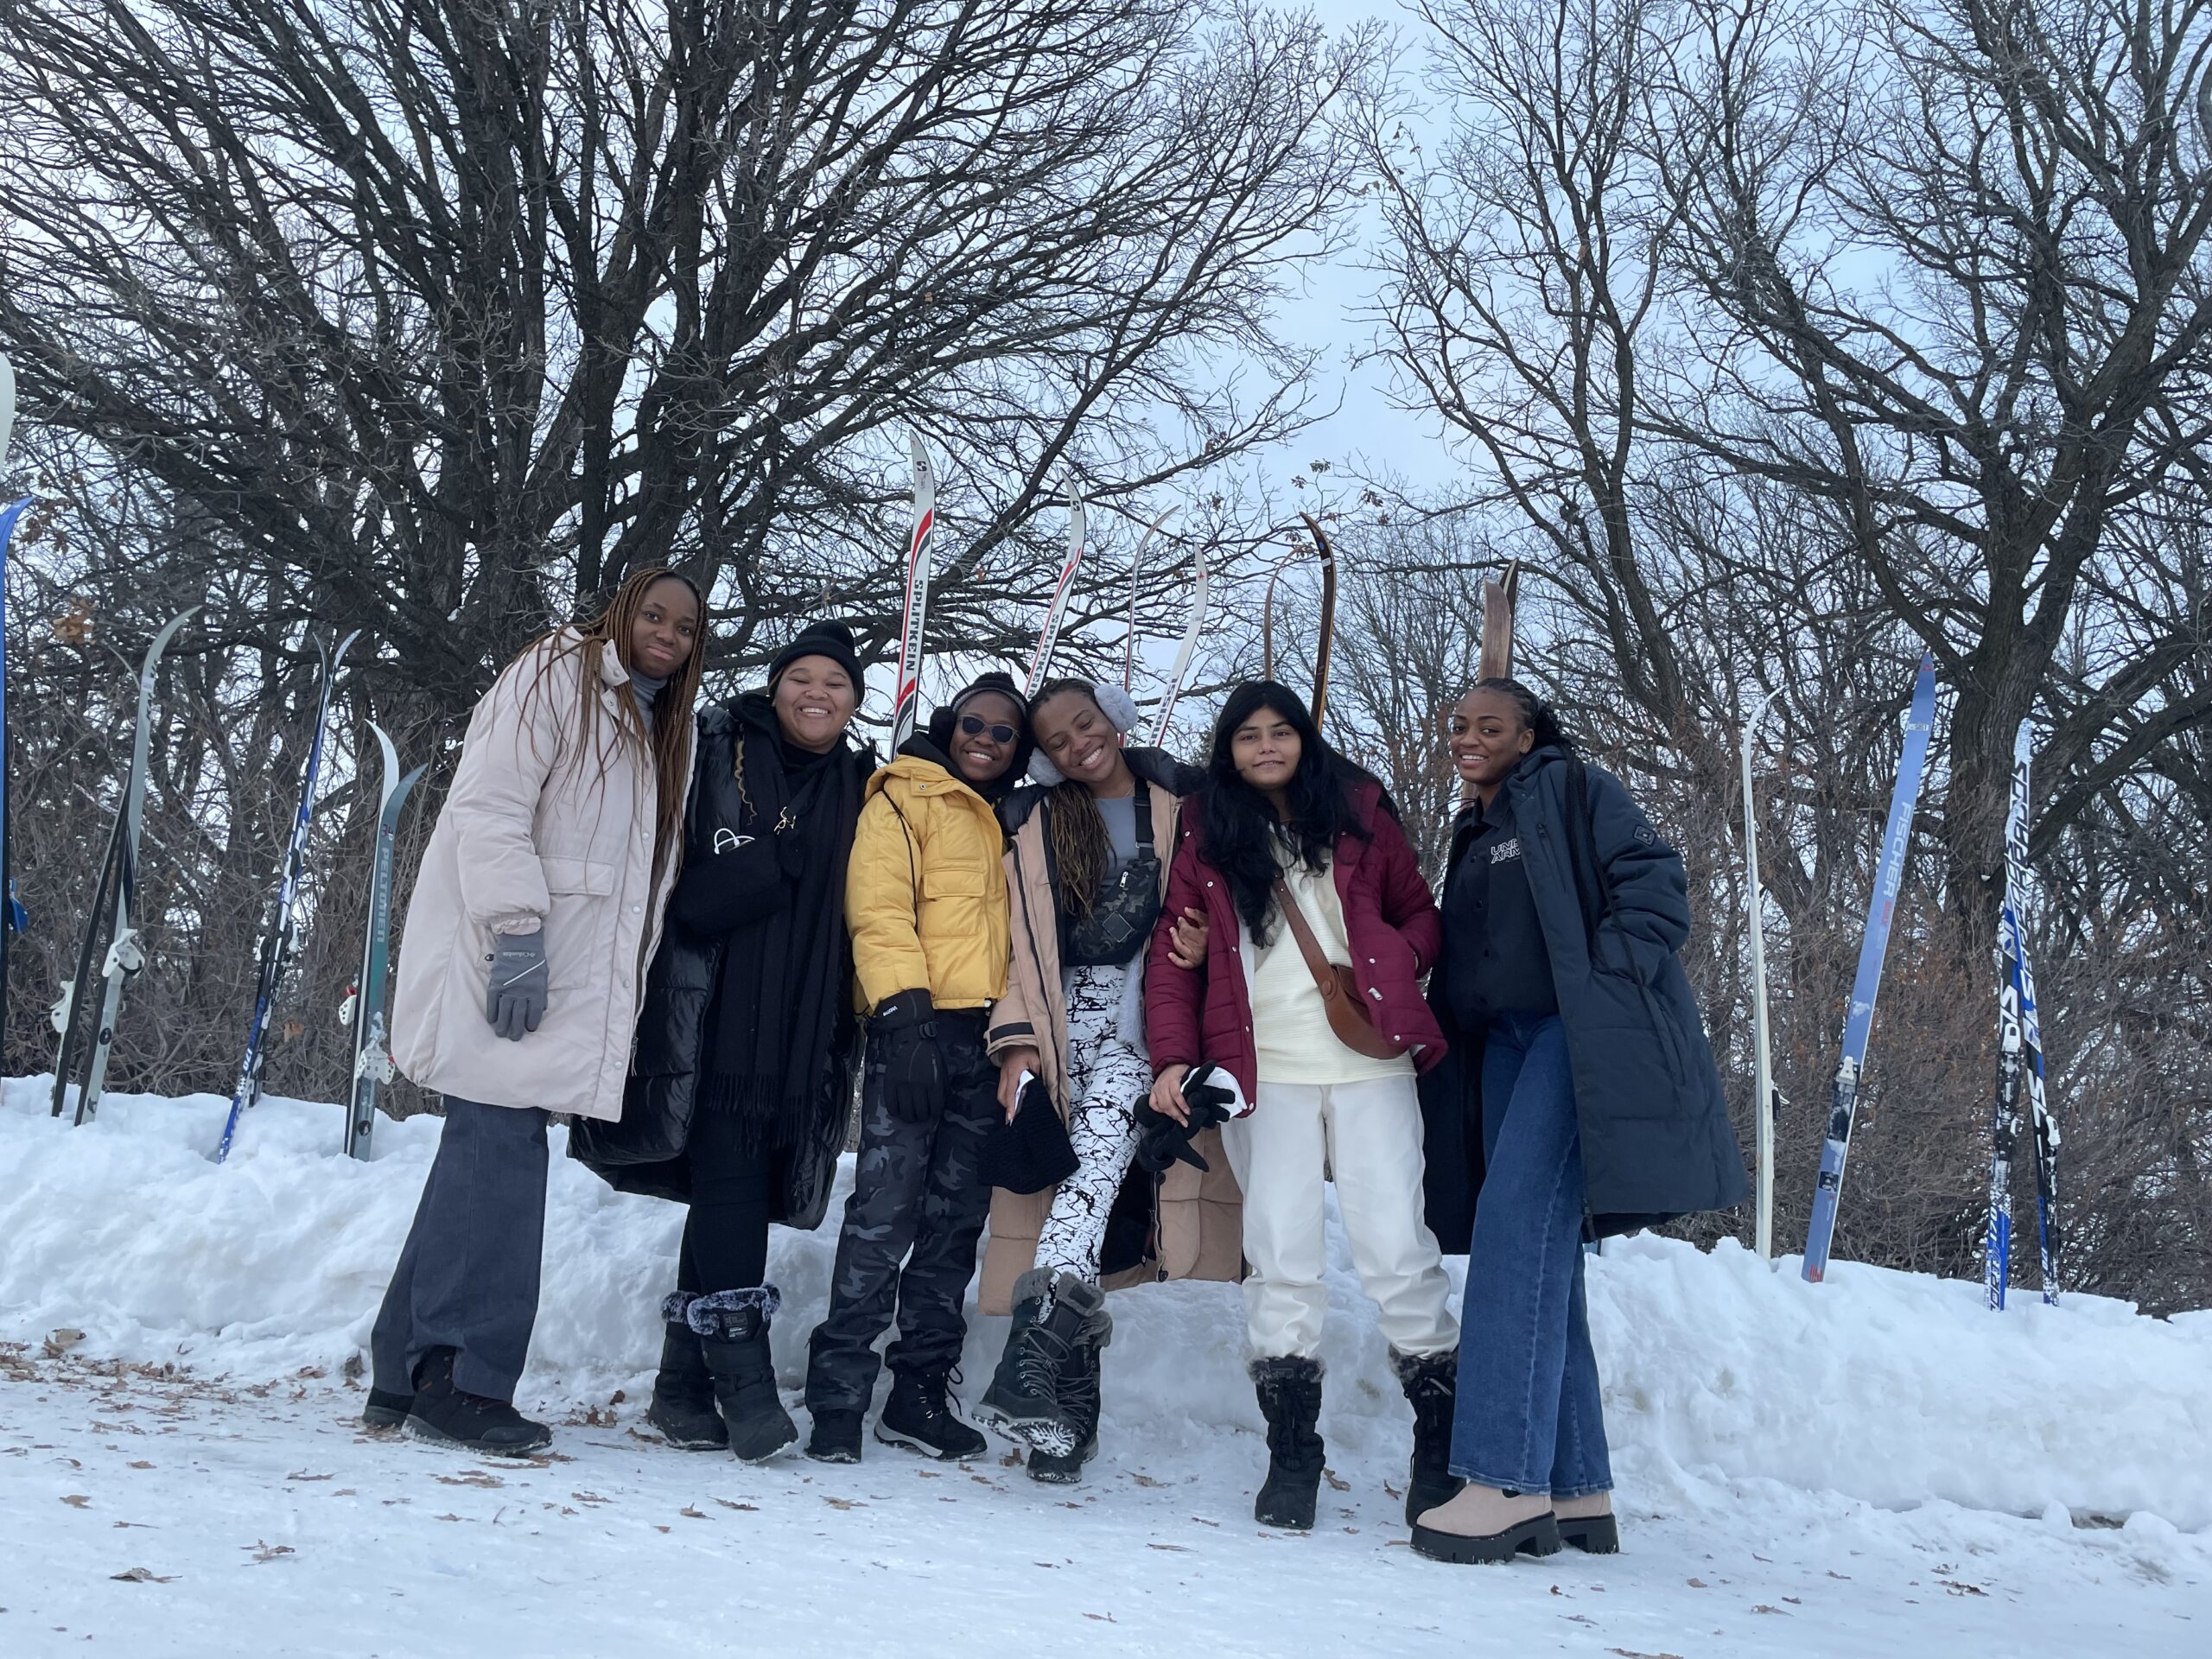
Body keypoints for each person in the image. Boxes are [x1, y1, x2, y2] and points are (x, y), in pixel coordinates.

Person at [367, 568, 704, 1452]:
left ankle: (403, 1370)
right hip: (510, 955)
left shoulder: (660, 721)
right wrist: (515, 933)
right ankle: (464, 1380)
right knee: (501, 1151)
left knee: (482, 1152)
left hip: (564, 972)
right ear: (621, 612)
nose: (666, 632)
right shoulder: (557, 672)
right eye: (653, 614)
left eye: (684, 625)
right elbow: (490, 805)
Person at [1411, 679, 1748, 1564]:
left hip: (1574, 1035)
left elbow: (1657, 886)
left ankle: (1499, 1482)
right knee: (1541, 1259)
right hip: (1507, 1045)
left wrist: (1602, 980)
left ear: (1528, 736)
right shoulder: (1475, 828)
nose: (1470, 738)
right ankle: (1576, 1489)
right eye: (1459, 726)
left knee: (1513, 1231)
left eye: (1491, 725)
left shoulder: (1573, 789)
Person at [1143, 680, 1459, 1534]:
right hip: (1262, 1070)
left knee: (1396, 1245)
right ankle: (1293, 1454)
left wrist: (1393, 956)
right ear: (1228, 751)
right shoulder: (1208, 831)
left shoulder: (1357, 809)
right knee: (1280, 1252)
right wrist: (1173, 1058)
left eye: (1280, 731)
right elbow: (1172, 959)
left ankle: (1439, 1448)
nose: (1266, 747)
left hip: (1368, 1061)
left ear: (1303, 739)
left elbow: (1421, 916)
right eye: (1248, 736)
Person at [571, 621, 873, 1463]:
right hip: (703, 1012)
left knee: (728, 1184)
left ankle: (680, 1387)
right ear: (775, 687)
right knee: (732, 1171)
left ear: (854, 701)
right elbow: (668, 880)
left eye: (836, 683)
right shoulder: (712, 748)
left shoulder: (863, 783)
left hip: (802, 1027)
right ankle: (741, 1379)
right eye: (801, 677)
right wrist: (766, 867)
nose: (817, 693)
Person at [975, 678, 1236, 1483]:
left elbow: (1218, 902)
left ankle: (1024, 1371)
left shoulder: (1182, 804)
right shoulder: (1034, 823)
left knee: (1087, 1189)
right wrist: (1014, 1045)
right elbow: (1012, 946)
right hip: (1056, 1031)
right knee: (1071, 1206)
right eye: (1055, 740)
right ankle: (1062, 1424)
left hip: (1140, 1027)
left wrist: (1199, 950)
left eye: (1084, 723)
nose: (1075, 744)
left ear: (1114, 718)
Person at [798, 673, 1033, 1464]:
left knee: (954, 1222)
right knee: (883, 1211)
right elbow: (879, 907)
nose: (986, 741)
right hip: (917, 1027)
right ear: (950, 722)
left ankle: (918, 1393)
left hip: (991, 1040)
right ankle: (838, 1392)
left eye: (1004, 734)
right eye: (975, 724)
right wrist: (902, 1017)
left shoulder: (1020, 819)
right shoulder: (903, 796)